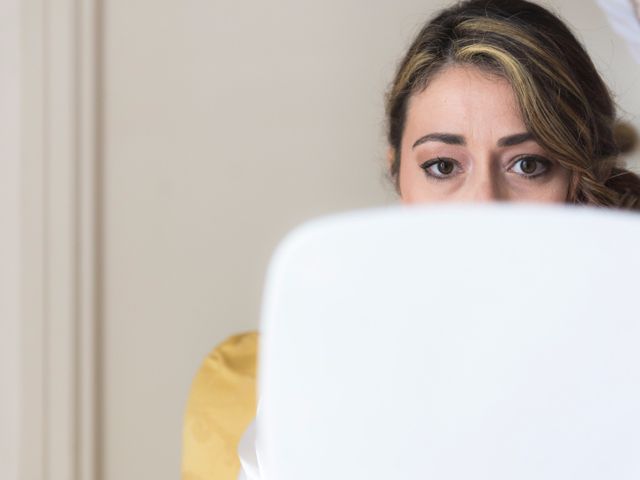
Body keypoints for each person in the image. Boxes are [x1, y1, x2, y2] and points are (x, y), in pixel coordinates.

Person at [181, 1, 640, 479]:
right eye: (443, 166)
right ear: (398, 175)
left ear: (581, 178)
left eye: (528, 164)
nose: (483, 205)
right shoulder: (323, 373)